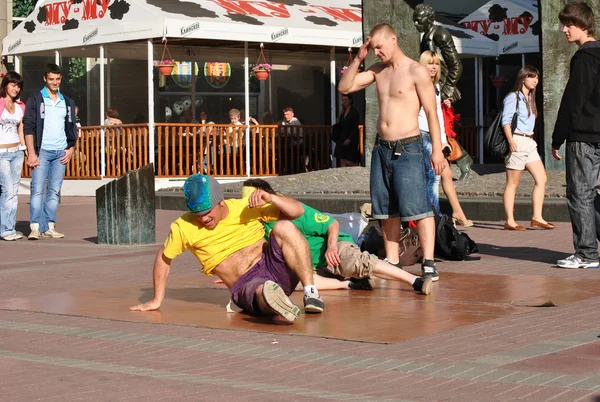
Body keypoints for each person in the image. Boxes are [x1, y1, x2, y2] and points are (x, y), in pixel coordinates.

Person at [130, 174, 325, 322]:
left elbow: (297, 211)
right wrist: (156, 300)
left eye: (207, 212)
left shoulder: (245, 206)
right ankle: (276, 302)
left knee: (285, 226)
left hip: (275, 266)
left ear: (220, 201)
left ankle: (310, 292)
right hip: (247, 284)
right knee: (262, 290)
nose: (203, 219)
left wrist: (272, 198)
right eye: (197, 215)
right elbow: (164, 258)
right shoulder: (183, 227)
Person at [338, 23, 446, 282]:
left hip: (409, 146)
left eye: (379, 46)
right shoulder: (377, 70)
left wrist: (438, 150)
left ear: (394, 40)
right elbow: (345, 87)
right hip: (382, 148)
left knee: (418, 207)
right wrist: (359, 58)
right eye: (372, 48)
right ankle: (392, 259)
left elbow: (431, 112)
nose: (376, 52)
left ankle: (429, 261)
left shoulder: (416, 71)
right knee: (386, 209)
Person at [242, 179, 433, 295]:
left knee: (354, 262)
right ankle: (348, 284)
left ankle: (414, 281)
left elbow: (331, 224)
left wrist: (333, 246)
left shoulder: (289, 210)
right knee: (288, 282)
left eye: (256, 199)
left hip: (332, 247)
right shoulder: (258, 225)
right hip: (312, 265)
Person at [552, 2, 600, 268]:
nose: (564, 30)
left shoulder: (583, 58)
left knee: (580, 194)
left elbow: (573, 102)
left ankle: (586, 254)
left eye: (568, 24)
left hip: (583, 136)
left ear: (583, 25)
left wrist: (557, 138)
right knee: (591, 195)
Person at [413, 4, 473, 181]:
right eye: (414, 19)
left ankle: (462, 160)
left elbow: (456, 65)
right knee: (440, 129)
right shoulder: (426, 35)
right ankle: (459, 161)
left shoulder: (440, 34)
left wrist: (446, 91)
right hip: (433, 86)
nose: (416, 23)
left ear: (429, 18)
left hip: (442, 88)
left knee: (443, 130)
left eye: (419, 19)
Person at [418, 51, 473, 227]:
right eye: (430, 63)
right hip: (421, 134)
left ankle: (448, 213)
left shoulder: (436, 87)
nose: (434, 67)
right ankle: (434, 216)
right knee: (434, 176)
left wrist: (442, 141)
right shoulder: (418, 85)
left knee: (440, 174)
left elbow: (438, 118)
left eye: (436, 64)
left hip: (432, 136)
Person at [24, 63, 77, 240]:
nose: (55, 82)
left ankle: (49, 226)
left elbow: (72, 129)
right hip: (42, 151)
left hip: (60, 152)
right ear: (45, 79)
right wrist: (31, 153)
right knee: (37, 190)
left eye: (58, 79)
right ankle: (35, 227)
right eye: (51, 79)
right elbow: (29, 128)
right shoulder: (36, 99)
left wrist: (71, 149)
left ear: (61, 79)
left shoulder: (67, 102)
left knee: (54, 191)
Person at [501, 65, 553, 232]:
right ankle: (509, 220)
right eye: (531, 77)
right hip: (517, 140)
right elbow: (506, 121)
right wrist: (510, 140)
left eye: (536, 77)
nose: (535, 80)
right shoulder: (513, 97)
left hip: (529, 142)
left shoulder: (529, 98)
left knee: (541, 178)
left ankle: (537, 217)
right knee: (512, 183)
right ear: (523, 78)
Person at [0, 72, 26, 241]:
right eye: (12, 84)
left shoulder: (20, 106)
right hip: (1, 153)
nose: (15, 88)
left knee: (13, 191)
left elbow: (21, 128)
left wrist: (24, 149)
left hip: (17, 152)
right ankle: (5, 230)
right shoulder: (0, 103)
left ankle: (10, 227)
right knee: (7, 190)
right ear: (5, 85)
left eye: (18, 86)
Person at [334, 94, 361, 167]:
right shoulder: (343, 112)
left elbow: (355, 127)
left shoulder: (354, 112)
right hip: (342, 138)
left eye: (346, 100)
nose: (344, 102)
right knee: (342, 159)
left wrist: (350, 138)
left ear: (350, 100)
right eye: (343, 100)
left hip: (350, 138)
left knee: (350, 160)